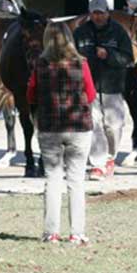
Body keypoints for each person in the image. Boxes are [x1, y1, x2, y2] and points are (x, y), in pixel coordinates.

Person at [26, 22, 96, 244]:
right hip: (78, 127)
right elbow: (91, 93)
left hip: (49, 128)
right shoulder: (81, 63)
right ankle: (77, 232)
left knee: (53, 179)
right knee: (76, 180)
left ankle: (51, 232)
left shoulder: (40, 65)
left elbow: (30, 94)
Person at [73, 0, 134, 180]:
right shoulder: (80, 33)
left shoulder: (118, 32)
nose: (98, 16)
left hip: (112, 86)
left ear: (108, 12)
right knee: (94, 124)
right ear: (90, 14)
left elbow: (128, 58)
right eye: (94, 13)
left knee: (114, 126)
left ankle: (110, 157)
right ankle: (98, 164)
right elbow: (73, 56)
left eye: (101, 13)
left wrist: (109, 55)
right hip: (89, 88)